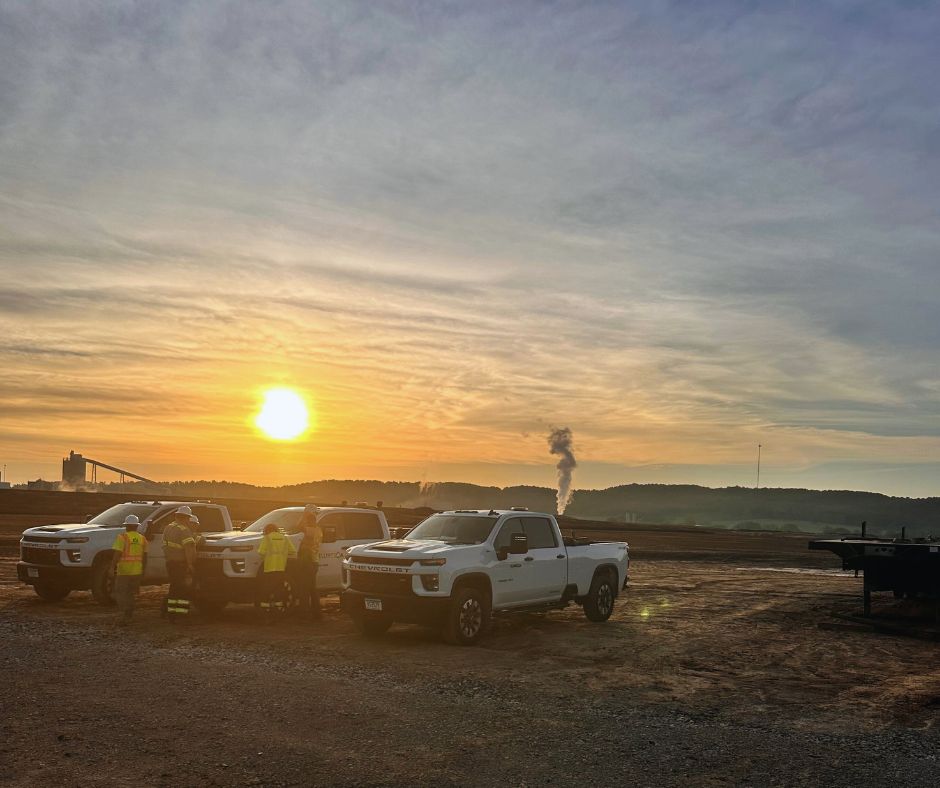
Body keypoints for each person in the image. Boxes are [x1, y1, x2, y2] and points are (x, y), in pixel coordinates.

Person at [110, 515, 148, 624]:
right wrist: (143, 570)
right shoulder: (142, 538)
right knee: (130, 593)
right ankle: (129, 613)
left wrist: (112, 567)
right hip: (137, 571)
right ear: (136, 526)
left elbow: (117, 553)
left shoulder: (122, 537)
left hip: (124, 571)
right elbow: (145, 556)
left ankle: (124, 614)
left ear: (126, 526)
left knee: (121, 592)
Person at [163, 505, 197, 621]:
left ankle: (171, 614)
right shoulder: (184, 530)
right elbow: (188, 548)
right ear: (186, 517)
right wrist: (190, 564)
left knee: (174, 588)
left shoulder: (168, 528)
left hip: (170, 563)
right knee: (183, 590)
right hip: (180, 564)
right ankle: (181, 615)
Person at [258, 522, 296, 619]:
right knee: (278, 590)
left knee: (266, 591)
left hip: (269, 569)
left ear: (267, 530)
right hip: (281, 569)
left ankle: (266, 612)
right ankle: (278, 611)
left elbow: (261, 552)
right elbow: (292, 551)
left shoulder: (267, 538)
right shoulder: (285, 538)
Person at [291, 506, 323, 622]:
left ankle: (304, 614)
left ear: (311, 521)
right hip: (314, 561)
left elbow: (299, 526)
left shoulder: (311, 530)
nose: (307, 523)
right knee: (312, 589)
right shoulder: (319, 530)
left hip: (308, 562)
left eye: (308, 521)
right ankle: (317, 613)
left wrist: (304, 515)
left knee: (304, 588)